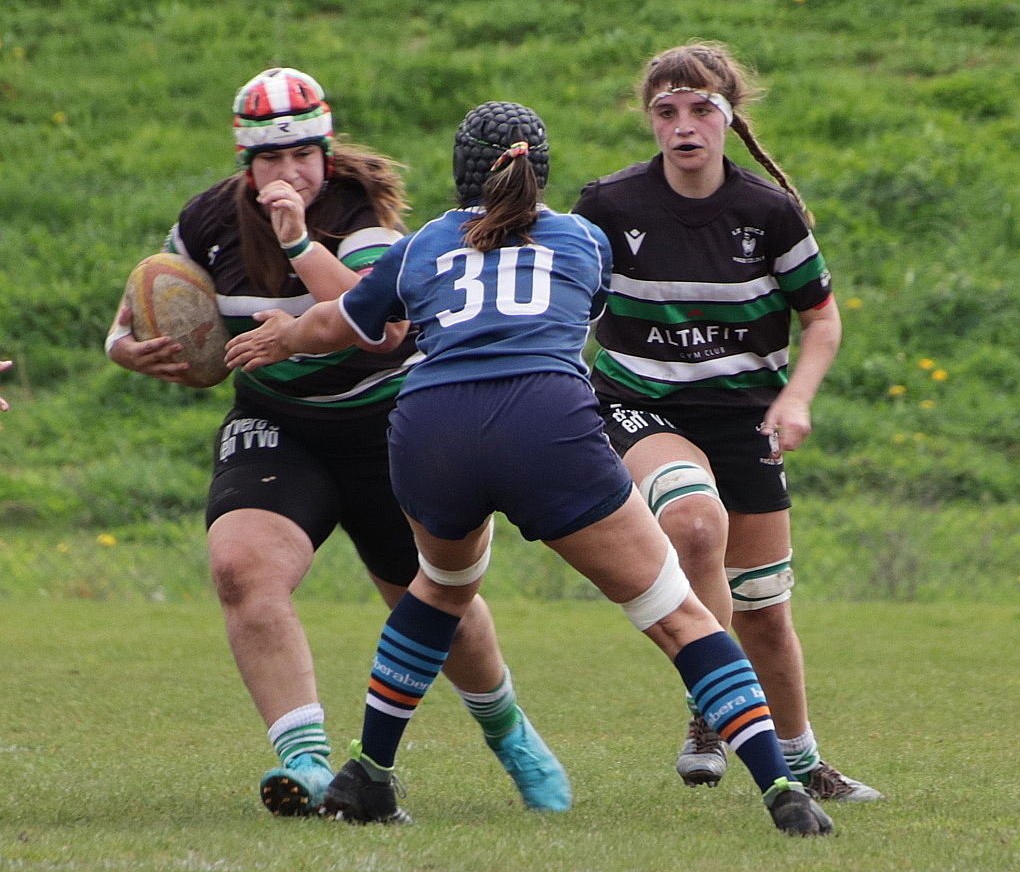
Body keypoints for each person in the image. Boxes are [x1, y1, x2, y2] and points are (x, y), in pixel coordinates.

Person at [225, 99, 834, 836]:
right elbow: (581, 315)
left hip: (430, 427)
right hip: (546, 424)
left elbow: (346, 322)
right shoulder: (582, 238)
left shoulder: (420, 246)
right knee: (677, 615)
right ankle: (782, 788)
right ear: (538, 175)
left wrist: (285, 338)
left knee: (439, 591)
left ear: (459, 173)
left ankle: (369, 774)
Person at [105, 69, 571, 817]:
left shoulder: (365, 217)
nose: (287, 172)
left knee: (435, 602)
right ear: (244, 162)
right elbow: (150, 295)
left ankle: (509, 731)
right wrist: (122, 346)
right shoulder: (209, 221)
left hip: (389, 425)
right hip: (279, 426)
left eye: (302, 155)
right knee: (240, 567)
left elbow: (373, 322)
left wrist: (294, 237)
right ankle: (309, 763)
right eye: (268, 159)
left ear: (325, 151)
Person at [572, 41, 883, 802]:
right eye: (667, 110)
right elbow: (563, 303)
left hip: (744, 414)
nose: (684, 125)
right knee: (695, 522)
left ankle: (803, 759)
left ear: (728, 115)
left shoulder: (767, 212)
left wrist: (796, 395)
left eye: (701, 108)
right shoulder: (609, 207)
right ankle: (708, 709)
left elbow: (823, 319)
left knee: (767, 616)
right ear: (651, 120)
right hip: (638, 405)